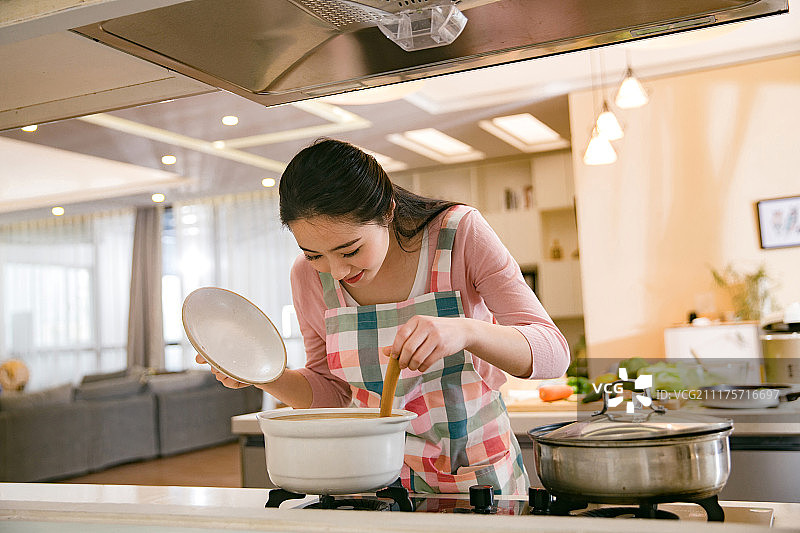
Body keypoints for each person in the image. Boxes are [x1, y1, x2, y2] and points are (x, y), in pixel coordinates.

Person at [198, 138, 569, 495]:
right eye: (314, 254)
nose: (337, 271)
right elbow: (335, 395)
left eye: (350, 249)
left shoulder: (458, 234)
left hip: (476, 477)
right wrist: (264, 375)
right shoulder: (307, 277)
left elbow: (553, 353)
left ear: (387, 211)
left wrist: (467, 331)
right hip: (372, 480)